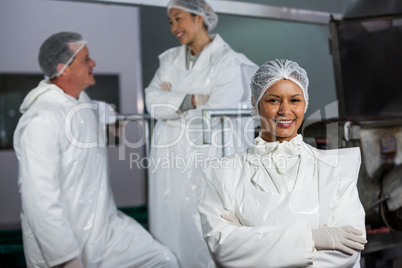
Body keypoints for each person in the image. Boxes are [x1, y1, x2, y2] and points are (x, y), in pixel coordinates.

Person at [13, 32, 178, 268]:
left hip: (104, 228)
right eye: (85, 59)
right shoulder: (42, 120)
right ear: (64, 69)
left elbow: (95, 111)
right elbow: (39, 199)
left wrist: (114, 119)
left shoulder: (80, 102)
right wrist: (66, 258)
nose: (93, 63)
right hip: (65, 240)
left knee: (162, 260)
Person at [198, 59, 367, 267]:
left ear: (305, 104)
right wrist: (312, 239)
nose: (285, 111)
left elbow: (348, 250)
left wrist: (251, 241)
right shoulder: (224, 174)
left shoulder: (335, 170)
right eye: (274, 100)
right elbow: (224, 248)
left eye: (295, 100)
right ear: (255, 103)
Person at [144, 0, 258, 266]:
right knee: (171, 219)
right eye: (170, 21)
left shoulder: (227, 61)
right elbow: (151, 101)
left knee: (208, 223)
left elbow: (218, 111)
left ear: (199, 18)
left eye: (179, 18)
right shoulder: (170, 59)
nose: (174, 27)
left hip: (207, 153)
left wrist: (172, 103)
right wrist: (193, 100)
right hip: (169, 157)